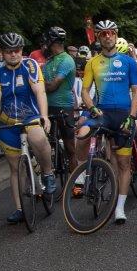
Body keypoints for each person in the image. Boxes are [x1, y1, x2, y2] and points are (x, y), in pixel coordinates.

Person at [75, 20, 137, 224]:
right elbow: (84, 91)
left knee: (123, 163)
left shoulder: (128, 62)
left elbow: (136, 92)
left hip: (123, 114)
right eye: (103, 34)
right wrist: (91, 108)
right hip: (102, 112)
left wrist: (132, 117)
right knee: (82, 133)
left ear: (116, 34)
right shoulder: (92, 63)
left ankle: (119, 208)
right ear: (98, 37)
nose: (108, 36)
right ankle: (82, 171)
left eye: (111, 33)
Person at [0, 32, 57, 224]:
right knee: (15, 167)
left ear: (21, 50)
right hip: (7, 120)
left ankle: (48, 172)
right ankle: (19, 208)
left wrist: (44, 116)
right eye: (8, 51)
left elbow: (40, 91)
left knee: (38, 138)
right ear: (2, 52)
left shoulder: (30, 65)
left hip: (30, 115)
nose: (13, 54)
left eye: (17, 50)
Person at [39, 28, 78, 167]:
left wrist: (38, 86)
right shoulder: (49, 61)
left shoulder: (67, 60)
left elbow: (51, 86)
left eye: (46, 41)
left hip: (63, 106)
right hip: (47, 106)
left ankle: (75, 178)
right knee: (44, 145)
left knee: (70, 148)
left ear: (51, 42)